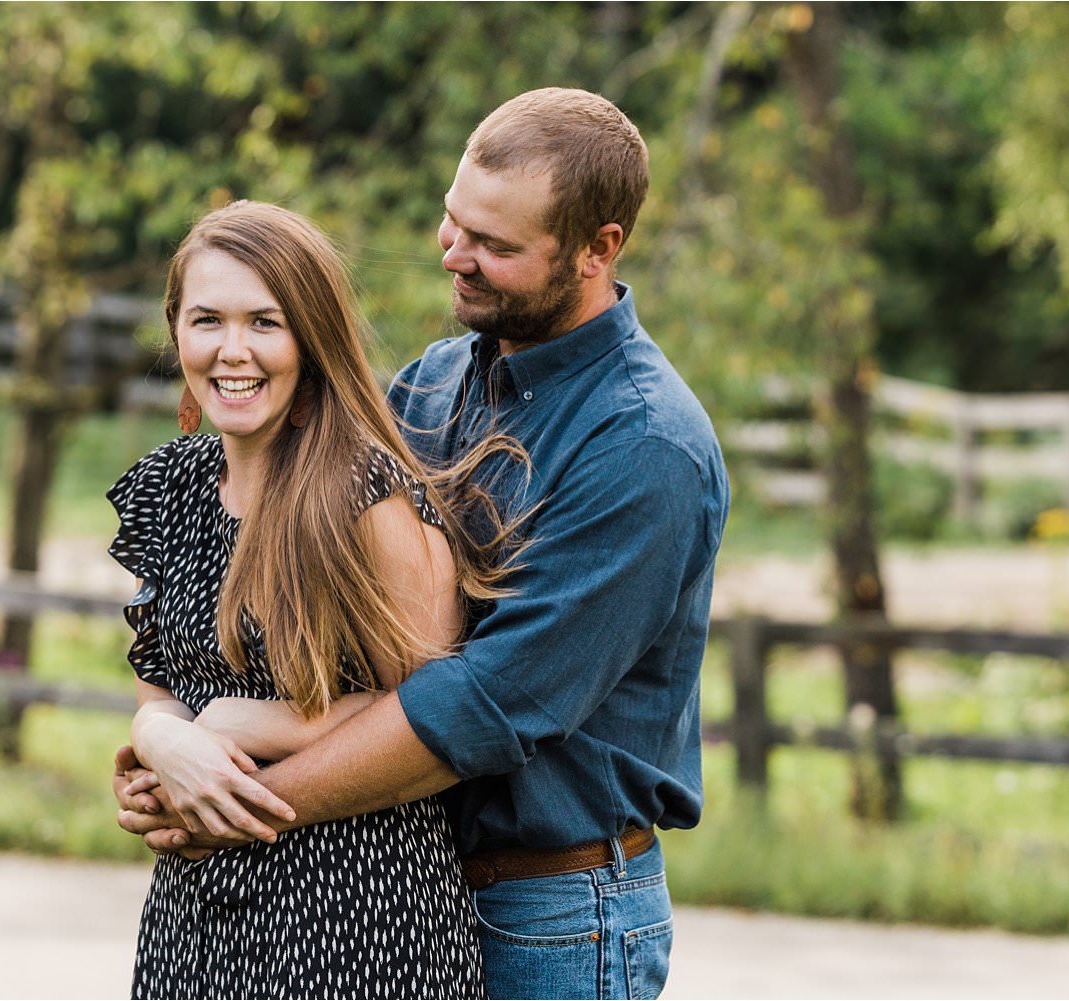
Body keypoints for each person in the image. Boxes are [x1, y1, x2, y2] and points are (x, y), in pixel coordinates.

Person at [116, 88, 730, 1000]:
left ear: (599, 249)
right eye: (454, 221)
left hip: (551, 907)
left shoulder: (645, 447)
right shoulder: (438, 381)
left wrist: (232, 805)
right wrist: (166, 741)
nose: (454, 254)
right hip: (402, 871)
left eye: (496, 245)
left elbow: (483, 700)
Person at [107, 200, 529, 999]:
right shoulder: (169, 488)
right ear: (176, 332)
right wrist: (160, 743)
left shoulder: (366, 496)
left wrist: (239, 725)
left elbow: (435, 713)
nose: (234, 350)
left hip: (357, 913)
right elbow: (159, 687)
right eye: (207, 320)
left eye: (265, 322)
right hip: (197, 917)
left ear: (311, 338)